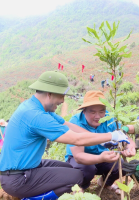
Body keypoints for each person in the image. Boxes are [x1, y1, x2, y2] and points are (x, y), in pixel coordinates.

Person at [0, 71, 129, 199]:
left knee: (70, 169)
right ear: (49, 94)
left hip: (28, 167)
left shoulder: (37, 108)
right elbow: (76, 139)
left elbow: (67, 125)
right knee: (76, 177)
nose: (62, 100)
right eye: (61, 96)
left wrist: (100, 140)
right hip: (18, 178)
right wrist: (112, 136)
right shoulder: (36, 116)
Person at [65, 91, 136, 194]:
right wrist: (99, 158)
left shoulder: (109, 119)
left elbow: (125, 137)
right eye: (92, 112)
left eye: (101, 111)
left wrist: (129, 147)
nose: (98, 116)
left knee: (122, 165)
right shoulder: (75, 123)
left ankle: (105, 183)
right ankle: (80, 188)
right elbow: (79, 156)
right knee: (87, 170)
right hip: (80, 160)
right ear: (84, 111)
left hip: (103, 156)